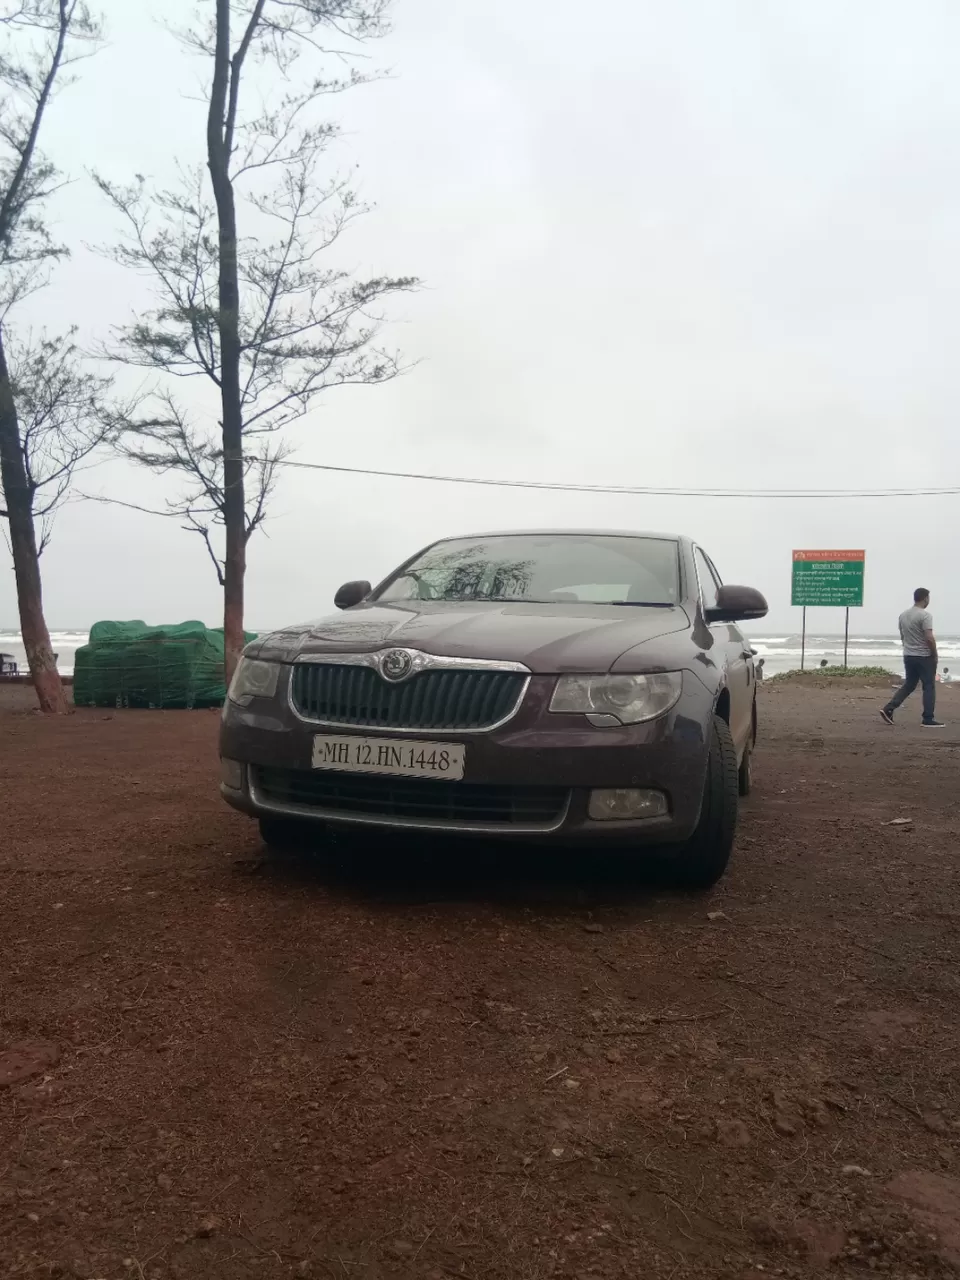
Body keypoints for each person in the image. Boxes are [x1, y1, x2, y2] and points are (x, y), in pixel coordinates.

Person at [880, 588, 945, 727]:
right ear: (925, 598)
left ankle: (889, 708)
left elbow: (903, 636)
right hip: (924, 656)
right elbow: (929, 637)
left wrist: (908, 648)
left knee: (909, 684)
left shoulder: (903, 615)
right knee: (928, 686)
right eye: (928, 598)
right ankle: (928, 718)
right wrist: (934, 653)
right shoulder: (925, 616)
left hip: (909, 655)